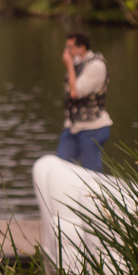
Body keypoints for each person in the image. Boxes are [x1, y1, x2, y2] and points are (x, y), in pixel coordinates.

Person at [56, 32, 112, 172]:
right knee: (60, 166)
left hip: (93, 129)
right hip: (73, 127)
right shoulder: (78, 63)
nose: (66, 51)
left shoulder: (96, 66)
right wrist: (71, 65)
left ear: (81, 48)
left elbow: (75, 93)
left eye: (70, 47)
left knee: (91, 172)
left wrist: (69, 65)